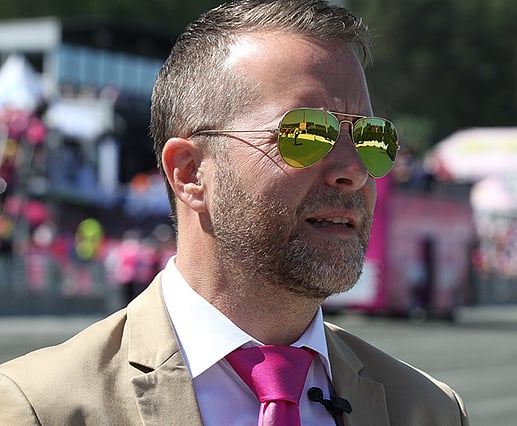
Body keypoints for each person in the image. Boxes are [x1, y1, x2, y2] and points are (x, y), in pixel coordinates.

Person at [0, 1, 468, 424]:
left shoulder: (429, 411)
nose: (355, 171)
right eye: (307, 134)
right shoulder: (40, 408)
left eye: (372, 139)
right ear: (189, 172)